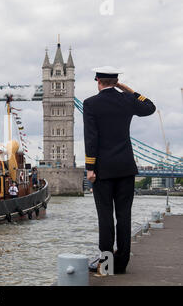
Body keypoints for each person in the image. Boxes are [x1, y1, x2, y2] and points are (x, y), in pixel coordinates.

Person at [84, 66, 155, 275]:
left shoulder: (90, 104)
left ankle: (106, 266)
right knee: (124, 216)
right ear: (115, 81)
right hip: (125, 168)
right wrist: (128, 90)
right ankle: (121, 265)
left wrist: (90, 168)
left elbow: (91, 137)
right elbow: (150, 107)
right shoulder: (127, 100)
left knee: (105, 217)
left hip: (102, 171)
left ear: (97, 81)